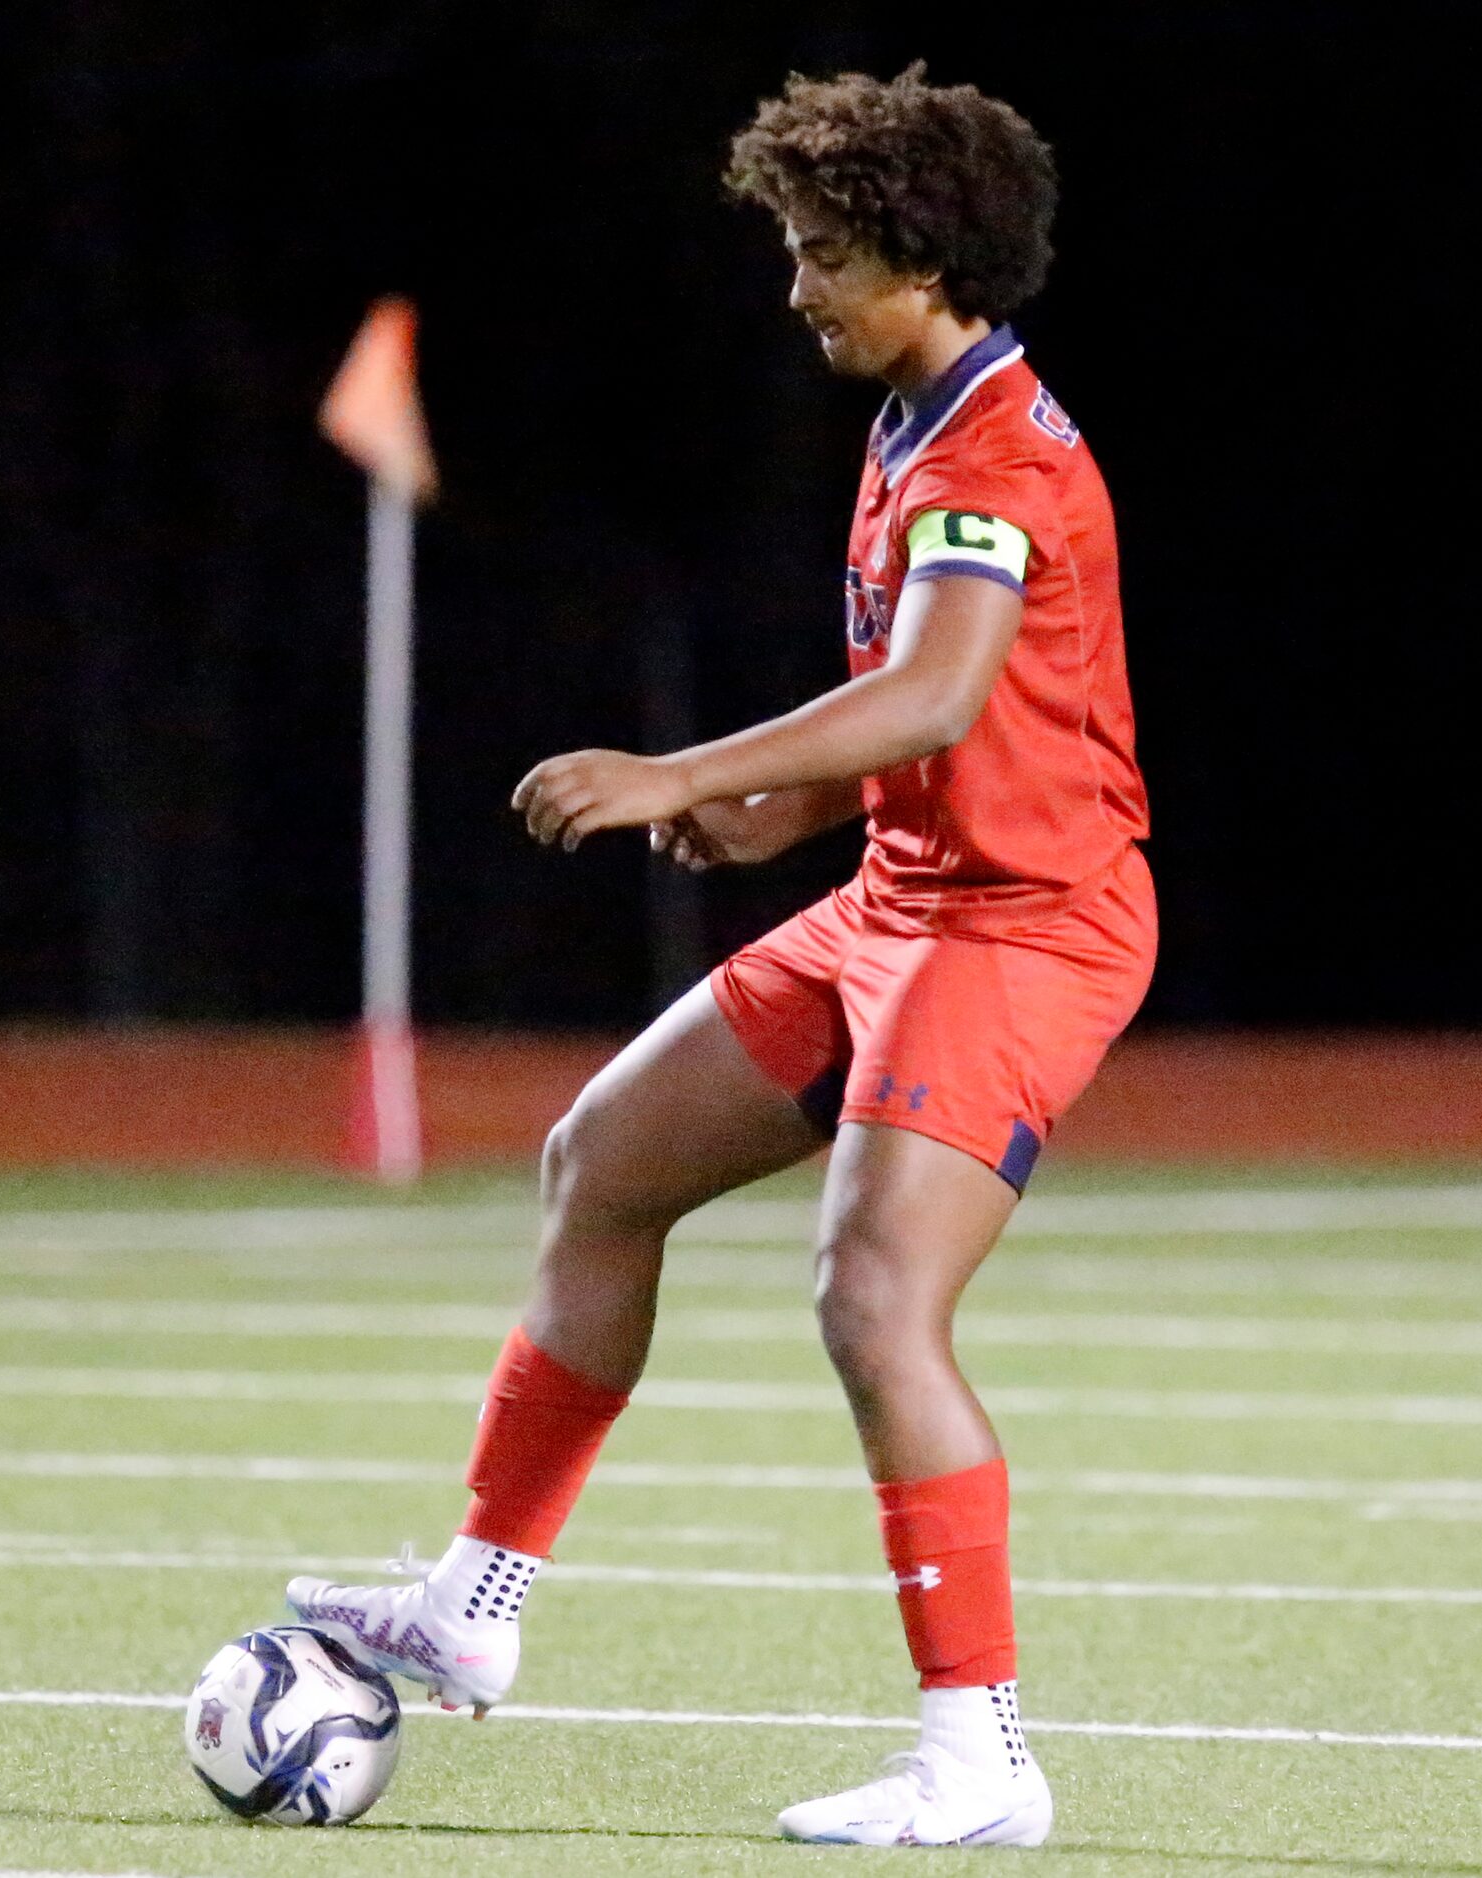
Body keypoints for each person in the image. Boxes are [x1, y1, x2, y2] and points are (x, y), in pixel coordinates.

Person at [290, 60, 1153, 1848]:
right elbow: (954, 729)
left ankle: (979, 1756)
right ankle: (473, 1604)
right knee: (600, 1162)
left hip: (1023, 923)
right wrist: (789, 817)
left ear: (928, 262)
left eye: (825, 253)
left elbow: (937, 684)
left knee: (868, 1299)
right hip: (907, 894)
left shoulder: (990, 449)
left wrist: (681, 771)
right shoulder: (915, 412)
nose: (797, 285)